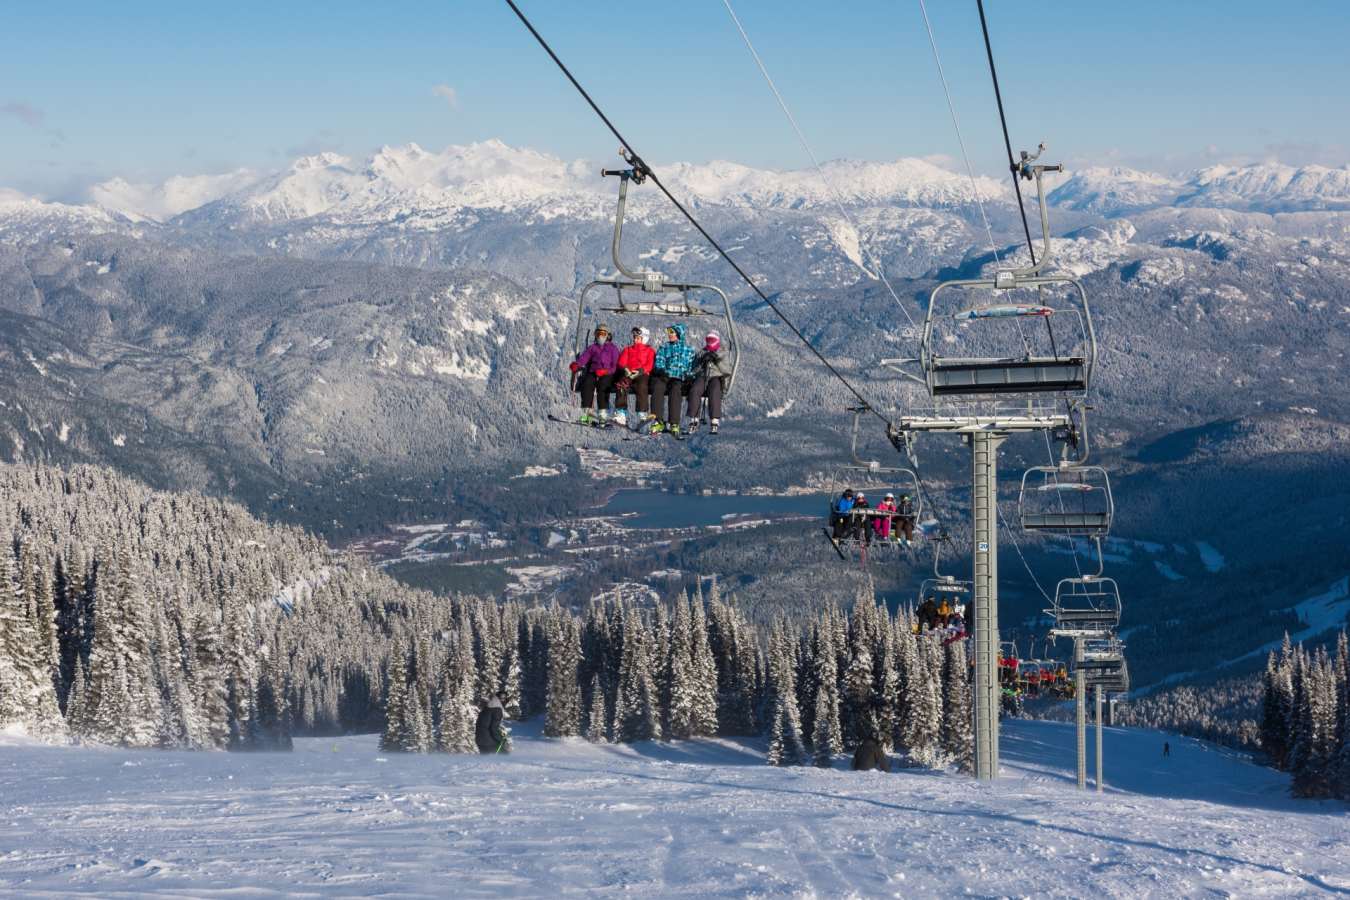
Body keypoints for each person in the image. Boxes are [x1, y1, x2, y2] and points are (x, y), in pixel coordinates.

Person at [648, 323, 696, 435]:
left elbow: (691, 366)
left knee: (675, 391)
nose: (669, 335)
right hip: (665, 376)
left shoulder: (688, 350)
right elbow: (659, 361)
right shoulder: (664, 347)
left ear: (679, 334)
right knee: (658, 387)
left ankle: (674, 423)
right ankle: (657, 420)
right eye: (669, 332)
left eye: (672, 332)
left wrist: (689, 376)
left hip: (679, 378)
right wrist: (661, 371)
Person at [569, 324, 621, 425]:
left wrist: (606, 371)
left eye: (603, 334)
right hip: (593, 372)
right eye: (598, 334)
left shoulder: (612, 349)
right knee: (587, 383)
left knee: (603, 385)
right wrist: (577, 364)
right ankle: (587, 412)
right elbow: (584, 358)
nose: (600, 336)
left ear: (607, 335)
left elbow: (615, 365)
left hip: (607, 373)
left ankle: (603, 414)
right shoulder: (593, 348)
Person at [684, 330, 733, 435]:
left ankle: (714, 420)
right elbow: (693, 369)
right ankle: (694, 418)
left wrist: (717, 360)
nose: (710, 343)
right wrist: (702, 362)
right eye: (708, 340)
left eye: (712, 340)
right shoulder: (702, 352)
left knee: (715, 391)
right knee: (695, 390)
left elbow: (727, 370)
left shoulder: (723, 353)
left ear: (717, 340)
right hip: (702, 376)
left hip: (716, 376)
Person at [613, 326, 654, 427]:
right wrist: (625, 369)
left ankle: (642, 413)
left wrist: (641, 370)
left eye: (638, 338)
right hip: (629, 373)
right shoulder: (628, 349)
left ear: (644, 339)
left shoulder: (649, 351)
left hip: (642, 374)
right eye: (634, 337)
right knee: (622, 384)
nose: (635, 340)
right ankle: (621, 412)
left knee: (642, 386)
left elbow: (650, 364)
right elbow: (621, 361)